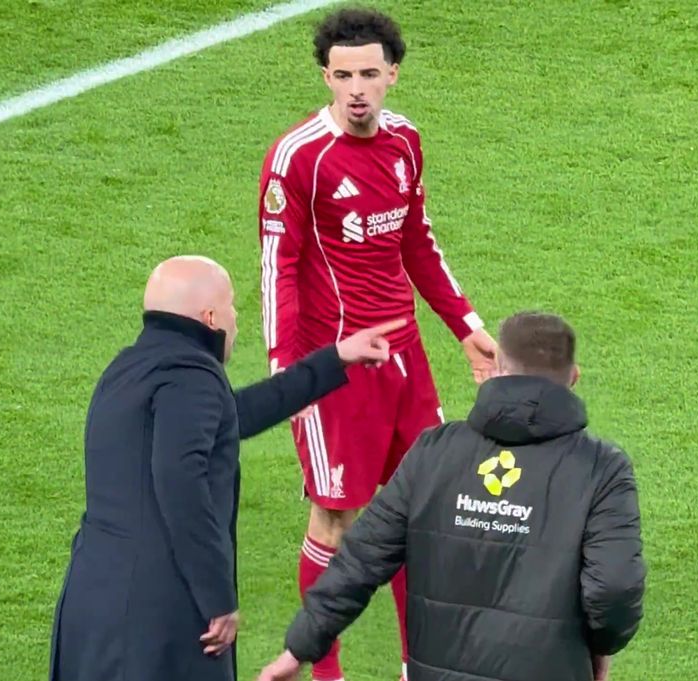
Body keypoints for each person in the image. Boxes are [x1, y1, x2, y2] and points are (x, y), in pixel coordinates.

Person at [257, 8, 497, 680]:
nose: (356, 87)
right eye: (342, 75)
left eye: (368, 73)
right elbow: (278, 269)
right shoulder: (297, 158)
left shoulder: (405, 142)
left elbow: (415, 240)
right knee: (335, 517)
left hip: (404, 359)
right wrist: (286, 372)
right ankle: (326, 674)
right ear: (325, 77)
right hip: (332, 367)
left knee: (423, 512)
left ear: (392, 73)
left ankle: (415, 665)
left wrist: (466, 325)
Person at [48, 255, 404, 681]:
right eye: (233, 306)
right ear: (211, 317)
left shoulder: (127, 370)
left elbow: (232, 415)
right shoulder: (192, 377)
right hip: (158, 619)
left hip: (90, 606)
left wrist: (335, 359)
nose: (238, 319)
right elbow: (180, 482)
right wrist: (217, 597)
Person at [256, 311, 647, 681]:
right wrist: (598, 649)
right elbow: (613, 587)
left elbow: (360, 559)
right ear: (574, 377)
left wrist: (298, 651)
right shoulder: (602, 468)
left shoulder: (434, 451)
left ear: (496, 370)